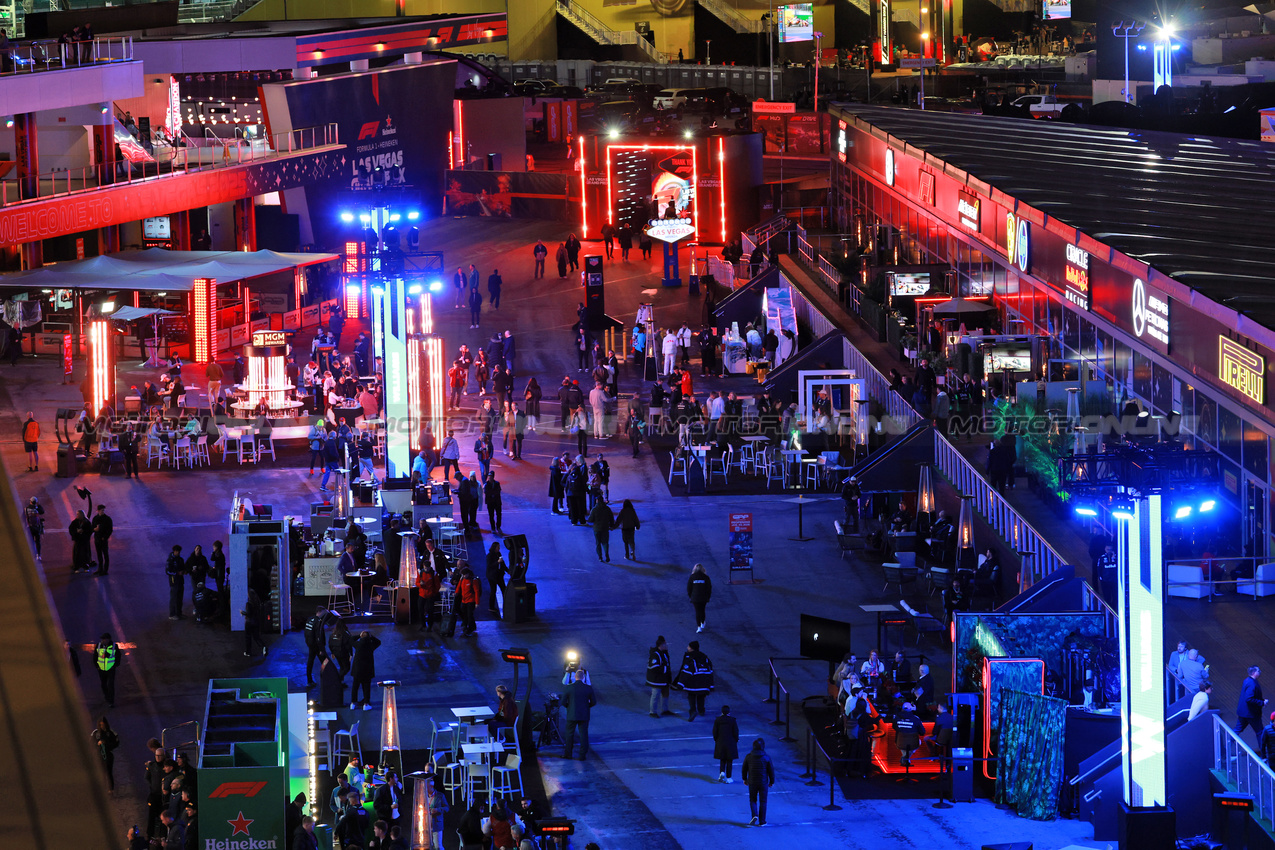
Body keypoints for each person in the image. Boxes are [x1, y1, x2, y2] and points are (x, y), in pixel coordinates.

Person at [674, 640, 714, 721]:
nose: (687, 648)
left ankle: (693, 711)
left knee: (691, 696)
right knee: (701, 696)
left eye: (688, 646)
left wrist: (680, 684)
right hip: (704, 681)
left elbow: (687, 672)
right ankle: (701, 710)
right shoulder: (704, 657)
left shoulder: (690, 658)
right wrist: (711, 685)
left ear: (691, 648)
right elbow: (710, 669)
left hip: (693, 682)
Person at [562, 669, 596, 760]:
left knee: (569, 735)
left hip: (572, 714)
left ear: (575, 677)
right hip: (584, 715)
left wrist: (569, 707)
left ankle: (568, 754)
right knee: (583, 735)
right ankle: (582, 755)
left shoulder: (569, 687)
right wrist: (587, 707)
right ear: (583, 677)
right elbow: (593, 702)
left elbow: (563, 702)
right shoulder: (588, 688)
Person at [741, 737, 775, 826]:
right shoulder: (766, 757)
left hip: (752, 782)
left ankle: (754, 815)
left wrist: (745, 779)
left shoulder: (748, 757)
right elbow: (771, 770)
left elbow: (744, 769)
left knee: (753, 800)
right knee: (763, 801)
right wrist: (772, 781)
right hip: (763, 782)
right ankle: (762, 821)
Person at [350, 631, 381, 710]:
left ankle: (353, 703)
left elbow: (351, 639)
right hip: (367, 670)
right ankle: (366, 704)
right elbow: (378, 642)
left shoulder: (357, 644)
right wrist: (371, 636)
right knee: (366, 687)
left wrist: (359, 635)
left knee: (355, 687)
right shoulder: (371, 645)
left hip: (357, 669)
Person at [1237, 666, 1267, 742]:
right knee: (1260, 732)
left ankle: (1228, 743)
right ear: (1254, 673)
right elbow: (1249, 699)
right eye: (1258, 671)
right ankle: (1263, 749)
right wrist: (1262, 703)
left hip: (1243, 712)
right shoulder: (1252, 684)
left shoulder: (1246, 680)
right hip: (1251, 713)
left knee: (1237, 730)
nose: (1260, 672)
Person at [646, 636, 673, 717]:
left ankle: (665, 710)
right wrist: (665, 669)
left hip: (664, 679)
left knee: (665, 694)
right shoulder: (655, 655)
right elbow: (654, 667)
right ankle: (652, 712)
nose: (666, 645)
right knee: (655, 695)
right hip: (657, 680)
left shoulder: (664, 653)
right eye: (665, 644)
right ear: (661, 645)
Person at [91, 717, 120, 791]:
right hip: (99, 755)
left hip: (108, 755)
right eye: (101, 725)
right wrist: (97, 744)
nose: (102, 726)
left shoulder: (111, 733)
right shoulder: (95, 733)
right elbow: (90, 743)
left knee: (109, 772)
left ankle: (110, 789)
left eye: (103, 725)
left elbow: (116, 743)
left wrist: (106, 744)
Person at [713, 705, 740, 783]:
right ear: (729, 712)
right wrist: (736, 740)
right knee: (729, 760)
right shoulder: (732, 720)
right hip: (730, 742)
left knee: (722, 759)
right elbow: (736, 731)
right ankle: (729, 778)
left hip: (720, 742)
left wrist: (717, 740)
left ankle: (722, 772)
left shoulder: (717, 720)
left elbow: (714, 731)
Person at [95, 632, 119, 707]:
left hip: (111, 669)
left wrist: (115, 665)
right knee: (103, 685)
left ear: (108, 639)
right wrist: (97, 666)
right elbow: (95, 656)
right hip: (101, 669)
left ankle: (111, 702)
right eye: (102, 639)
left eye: (104, 639)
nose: (102, 640)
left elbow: (118, 656)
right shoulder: (98, 645)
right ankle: (107, 697)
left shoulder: (114, 646)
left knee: (110, 685)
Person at [687, 563, 712, 632]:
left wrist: (691, 596)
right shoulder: (706, 577)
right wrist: (708, 597)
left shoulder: (692, 577)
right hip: (703, 597)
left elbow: (689, 588)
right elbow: (709, 588)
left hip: (695, 598)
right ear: (703, 569)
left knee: (697, 612)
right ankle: (702, 622)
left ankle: (699, 627)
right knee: (702, 610)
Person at [242, 589, 267, 657]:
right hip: (256, 622)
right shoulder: (257, 603)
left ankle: (248, 652)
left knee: (248, 637)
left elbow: (249, 614)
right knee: (256, 637)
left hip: (249, 622)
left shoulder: (249, 604)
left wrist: (243, 613)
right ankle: (263, 646)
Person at [456, 568, 481, 636]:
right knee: (465, 614)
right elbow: (459, 586)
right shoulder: (462, 579)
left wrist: (477, 602)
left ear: (468, 574)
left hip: (471, 600)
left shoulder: (473, 581)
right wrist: (456, 593)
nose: (464, 576)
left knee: (469, 615)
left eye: (464, 575)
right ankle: (468, 626)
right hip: (464, 600)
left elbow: (476, 592)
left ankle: (470, 628)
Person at [589, 497, 614, 563]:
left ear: (597, 501)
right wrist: (612, 525)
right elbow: (611, 518)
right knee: (605, 542)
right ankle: (606, 554)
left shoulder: (594, 509)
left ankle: (600, 557)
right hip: (605, 528)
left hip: (597, 529)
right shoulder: (607, 509)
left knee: (598, 543)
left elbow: (590, 519)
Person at [485, 543, 507, 615]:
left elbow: (502, 564)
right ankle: (491, 607)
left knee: (504, 589)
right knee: (493, 590)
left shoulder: (499, 554)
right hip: (492, 576)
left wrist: (507, 570)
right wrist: (497, 562)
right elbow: (490, 566)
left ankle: (506, 604)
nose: (499, 548)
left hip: (499, 575)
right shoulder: (489, 556)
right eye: (498, 547)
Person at [166, 545, 187, 619]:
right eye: (177, 551)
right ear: (174, 551)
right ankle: (172, 614)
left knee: (179, 598)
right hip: (174, 581)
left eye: (179, 551)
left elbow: (183, 568)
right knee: (174, 598)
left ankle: (179, 613)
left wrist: (184, 571)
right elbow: (168, 571)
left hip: (180, 581)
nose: (178, 553)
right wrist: (177, 573)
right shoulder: (170, 560)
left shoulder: (180, 559)